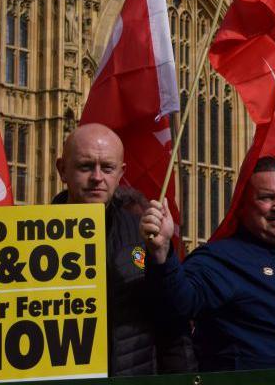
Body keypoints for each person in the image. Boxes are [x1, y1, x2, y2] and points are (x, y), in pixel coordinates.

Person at [140, 157, 275, 371]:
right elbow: (177, 304)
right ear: (242, 206)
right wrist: (162, 253)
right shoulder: (220, 260)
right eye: (267, 197)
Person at [52, 123, 195, 375]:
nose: (97, 177)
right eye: (86, 167)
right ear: (62, 170)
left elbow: (173, 319)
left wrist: (162, 257)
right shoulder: (26, 237)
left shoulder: (140, 238)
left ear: (120, 173)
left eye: (107, 168)